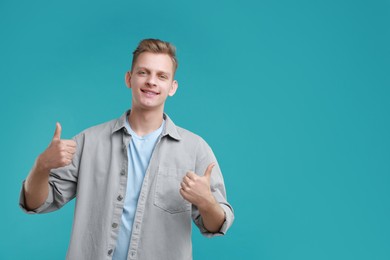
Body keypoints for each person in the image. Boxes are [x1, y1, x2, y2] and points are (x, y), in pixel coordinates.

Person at [19, 38, 234, 260]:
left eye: (161, 76)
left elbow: (217, 225)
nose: (151, 81)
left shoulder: (195, 148)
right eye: (143, 72)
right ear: (129, 79)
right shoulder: (88, 142)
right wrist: (42, 166)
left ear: (172, 87)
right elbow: (36, 203)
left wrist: (206, 200)